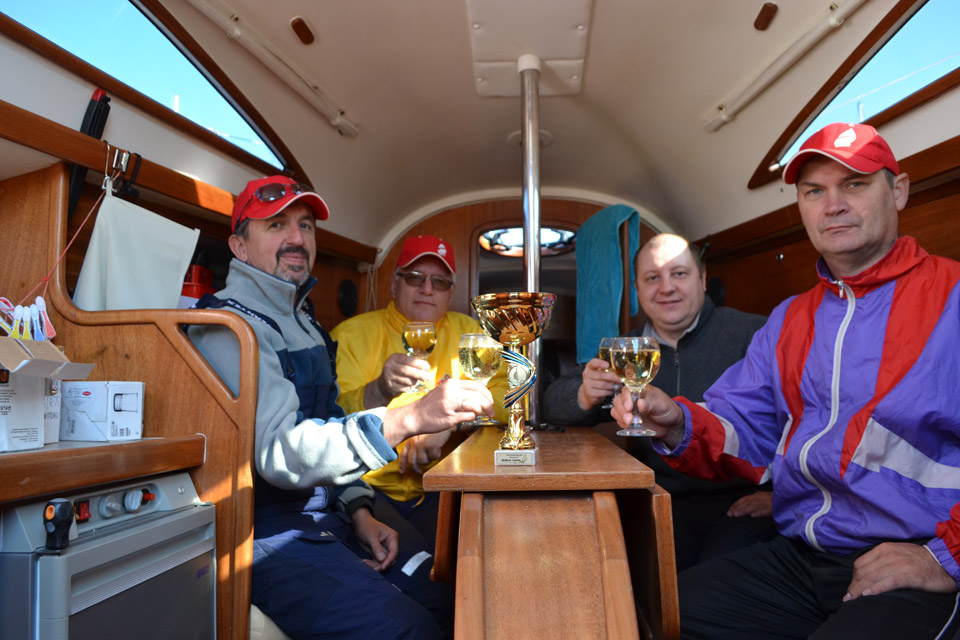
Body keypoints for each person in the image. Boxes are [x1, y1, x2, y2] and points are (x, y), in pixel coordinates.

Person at [611, 123, 960, 639]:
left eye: (855, 184)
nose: (833, 205)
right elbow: (742, 428)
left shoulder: (952, 296)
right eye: (814, 191)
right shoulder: (790, 319)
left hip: (914, 559)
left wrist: (945, 557)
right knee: (649, 619)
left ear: (899, 191)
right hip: (801, 555)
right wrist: (676, 422)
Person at [189, 176, 495, 640]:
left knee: (449, 596)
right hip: (262, 531)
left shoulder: (305, 322)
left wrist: (360, 512)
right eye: (276, 225)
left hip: (329, 514)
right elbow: (280, 454)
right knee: (409, 629)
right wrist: (407, 419)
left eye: (305, 225)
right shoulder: (230, 328)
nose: (297, 238)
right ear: (240, 246)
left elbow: (331, 421)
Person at [543, 233, 774, 570]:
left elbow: (799, 420)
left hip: (740, 502)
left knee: (708, 582)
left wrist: (783, 497)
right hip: (657, 500)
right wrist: (583, 395)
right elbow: (551, 402)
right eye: (653, 278)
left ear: (703, 278)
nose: (666, 288)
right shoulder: (626, 349)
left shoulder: (755, 333)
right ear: (637, 288)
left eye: (678, 273)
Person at [330, 234, 508, 547]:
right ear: (394, 284)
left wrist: (451, 423)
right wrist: (378, 389)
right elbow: (332, 417)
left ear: (451, 292)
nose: (427, 289)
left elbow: (511, 398)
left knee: (484, 549)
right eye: (415, 277)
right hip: (369, 489)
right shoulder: (349, 336)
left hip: (448, 485)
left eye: (439, 282)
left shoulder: (472, 335)